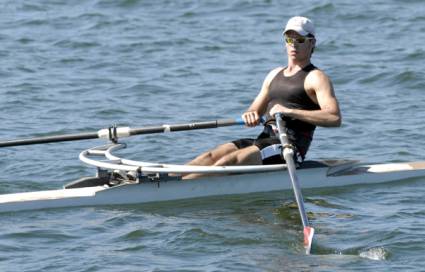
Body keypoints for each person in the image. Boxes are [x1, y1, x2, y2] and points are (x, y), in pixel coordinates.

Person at [184, 16, 341, 179]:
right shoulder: (274, 74)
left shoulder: (316, 77)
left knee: (229, 161)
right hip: (264, 140)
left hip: (288, 147)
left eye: (300, 39)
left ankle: (185, 189)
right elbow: (254, 110)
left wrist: (290, 112)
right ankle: (170, 181)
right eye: (289, 38)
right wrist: (250, 114)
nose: (293, 44)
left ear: (312, 43)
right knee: (208, 157)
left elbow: (334, 117)